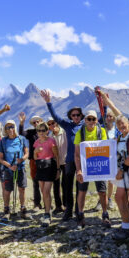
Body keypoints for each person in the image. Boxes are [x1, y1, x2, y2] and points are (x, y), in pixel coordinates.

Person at [40, 89, 84, 221]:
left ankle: (78, 210)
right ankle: (68, 210)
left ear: (81, 116)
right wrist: (49, 102)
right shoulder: (68, 125)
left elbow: (100, 120)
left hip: (82, 161)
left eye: (78, 115)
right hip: (70, 160)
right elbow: (56, 117)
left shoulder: (86, 125)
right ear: (71, 116)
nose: (76, 117)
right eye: (73, 115)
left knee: (80, 186)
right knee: (67, 186)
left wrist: (103, 103)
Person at [74, 110, 111, 229]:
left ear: (96, 120)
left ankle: (105, 215)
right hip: (85, 167)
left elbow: (106, 148)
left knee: (102, 191)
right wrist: (78, 170)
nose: (91, 121)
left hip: (99, 165)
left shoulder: (102, 131)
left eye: (93, 119)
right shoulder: (80, 132)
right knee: (82, 191)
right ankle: (80, 215)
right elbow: (76, 154)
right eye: (88, 119)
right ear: (85, 120)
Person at [111, 115, 129, 240]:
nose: (121, 126)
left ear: (128, 123)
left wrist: (122, 170)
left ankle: (127, 227)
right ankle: (127, 224)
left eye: (123, 123)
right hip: (122, 170)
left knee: (119, 197)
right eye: (119, 125)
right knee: (124, 198)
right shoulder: (120, 137)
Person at [0, 120, 30, 220]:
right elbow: (0, 158)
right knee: (7, 190)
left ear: (14, 127)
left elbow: (26, 153)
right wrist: (9, 166)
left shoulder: (21, 139)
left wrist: (22, 159)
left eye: (11, 126)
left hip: (20, 168)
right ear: (5, 130)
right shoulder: (3, 141)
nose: (10, 129)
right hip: (8, 169)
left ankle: (23, 209)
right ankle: (6, 210)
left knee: (22, 189)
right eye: (7, 128)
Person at [34, 122, 59, 227]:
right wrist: (35, 151)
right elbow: (35, 158)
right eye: (39, 131)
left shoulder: (51, 141)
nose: (41, 132)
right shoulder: (36, 142)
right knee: (43, 192)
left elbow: (57, 156)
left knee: (46, 191)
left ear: (47, 131)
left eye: (43, 130)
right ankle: (46, 212)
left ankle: (47, 213)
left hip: (50, 167)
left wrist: (58, 170)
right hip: (40, 168)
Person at [18, 112, 43, 210]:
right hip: (33, 160)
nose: (36, 123)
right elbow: (21, 133)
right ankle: (37, 204)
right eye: (34, 122)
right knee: (36, 182)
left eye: (38, 121)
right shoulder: (31, 133)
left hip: (45, 160)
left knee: (46, 182)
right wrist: (21, 123)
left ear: (40, 122)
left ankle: (46, 202)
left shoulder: (46, 131)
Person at [47, 117, 66, 215]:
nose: (51, 125)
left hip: (66, 161)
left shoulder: (65, 132)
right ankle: (58, 206)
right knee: (56, 185)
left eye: (53, 123)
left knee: (66, 184)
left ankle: (66, 205)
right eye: (49, 124)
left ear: (56, 123)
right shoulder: (49, 136)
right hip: (55, 162)